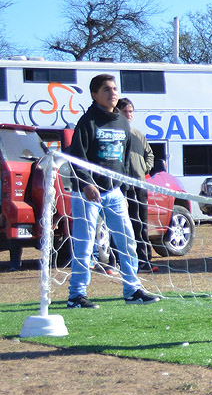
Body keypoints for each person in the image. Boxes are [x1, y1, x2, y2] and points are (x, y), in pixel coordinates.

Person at [64, 75, 161, 308]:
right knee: (85, 244)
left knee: (127, 240)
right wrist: (86, 183)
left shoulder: (122, 122)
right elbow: (77, 158)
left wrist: (124, 190)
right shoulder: (87, 123)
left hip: (114, 192)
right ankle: (76, 295)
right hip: (87, 194)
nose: (112, 93)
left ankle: (133, 289)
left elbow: (125, 162)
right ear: (95, 95)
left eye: (115, 89)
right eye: (106, 89)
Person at [116, 98, 157, 273]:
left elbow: (150, 155)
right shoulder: (115, 133)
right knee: (123, 226)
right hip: (121, 187)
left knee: (141, 225)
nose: (128, 114)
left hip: (139, 186)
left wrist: (142, 168)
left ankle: (144, 260)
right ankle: (118, 261)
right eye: (125, 111)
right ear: (117, 112)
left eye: (131, 111)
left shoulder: (138, 135)